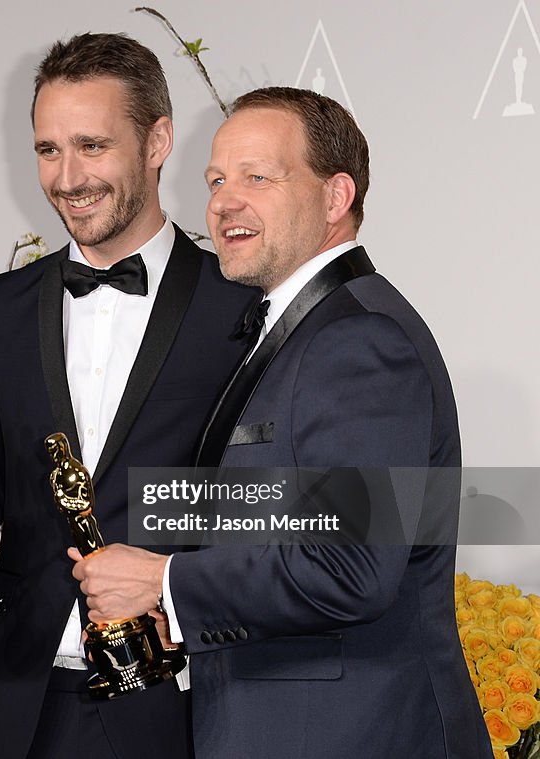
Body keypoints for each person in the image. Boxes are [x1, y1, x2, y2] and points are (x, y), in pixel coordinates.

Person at [70, 87, 492, 757]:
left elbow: (351, 568)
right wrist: (180, 609)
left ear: (335, 197)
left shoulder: (360, 343)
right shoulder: (305, 332)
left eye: (257, 177)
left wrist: (165, 580)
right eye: (216, 180)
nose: (223, 201)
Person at [0, 33, 255, 759]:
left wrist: (166, 578)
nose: (67, 177)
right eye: (47, 150)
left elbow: (267, 495)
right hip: (21, 697)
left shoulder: (240, 307)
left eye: (92, 146)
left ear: (158, 140)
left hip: (177, 698)